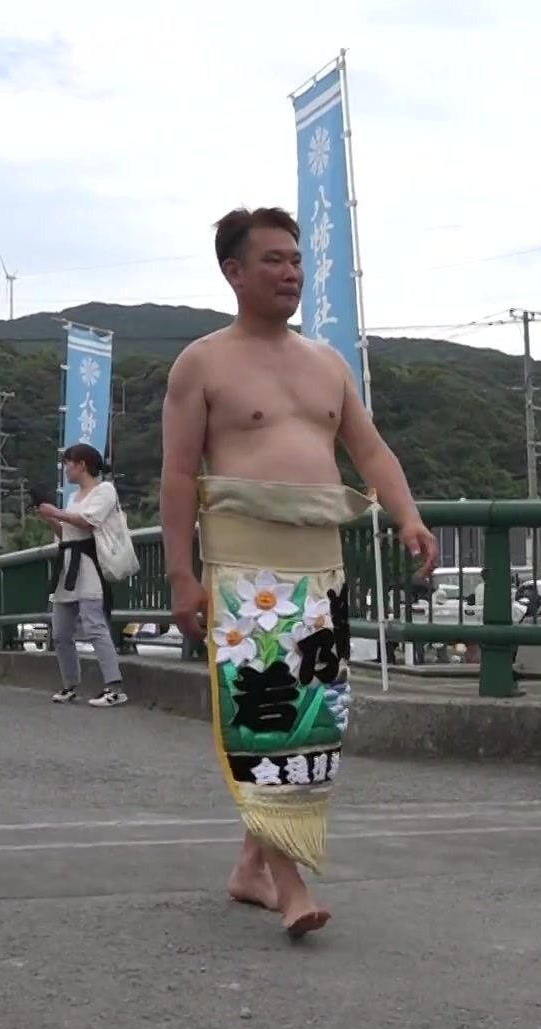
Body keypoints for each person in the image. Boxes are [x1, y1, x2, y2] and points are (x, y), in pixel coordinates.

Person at [161, 205, 438, 939]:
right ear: (234, 271)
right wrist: (181, 574)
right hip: (244, 566)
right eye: (274, 260)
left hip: (321, 566)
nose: (291, 273)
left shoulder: (327, 363)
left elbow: (371, 452)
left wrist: (407, 514)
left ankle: (251, 865)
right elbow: (179, 473)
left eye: (296, 259)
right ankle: (288, 883)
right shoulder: (203, 361)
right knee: (265, 714)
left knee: (313, 719)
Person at [38, 443, 128, 708]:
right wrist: (50, 518)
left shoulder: (105, 490)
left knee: (94, 626)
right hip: (69, 565)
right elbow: (68, 532)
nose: (66, 468)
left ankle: (114, 686)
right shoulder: (73, 497)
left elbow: (89, 523)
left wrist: (56, 512)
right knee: (61, 632)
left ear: (82, 464)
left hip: (89, 565)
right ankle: (70, 684)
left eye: (69, 462)